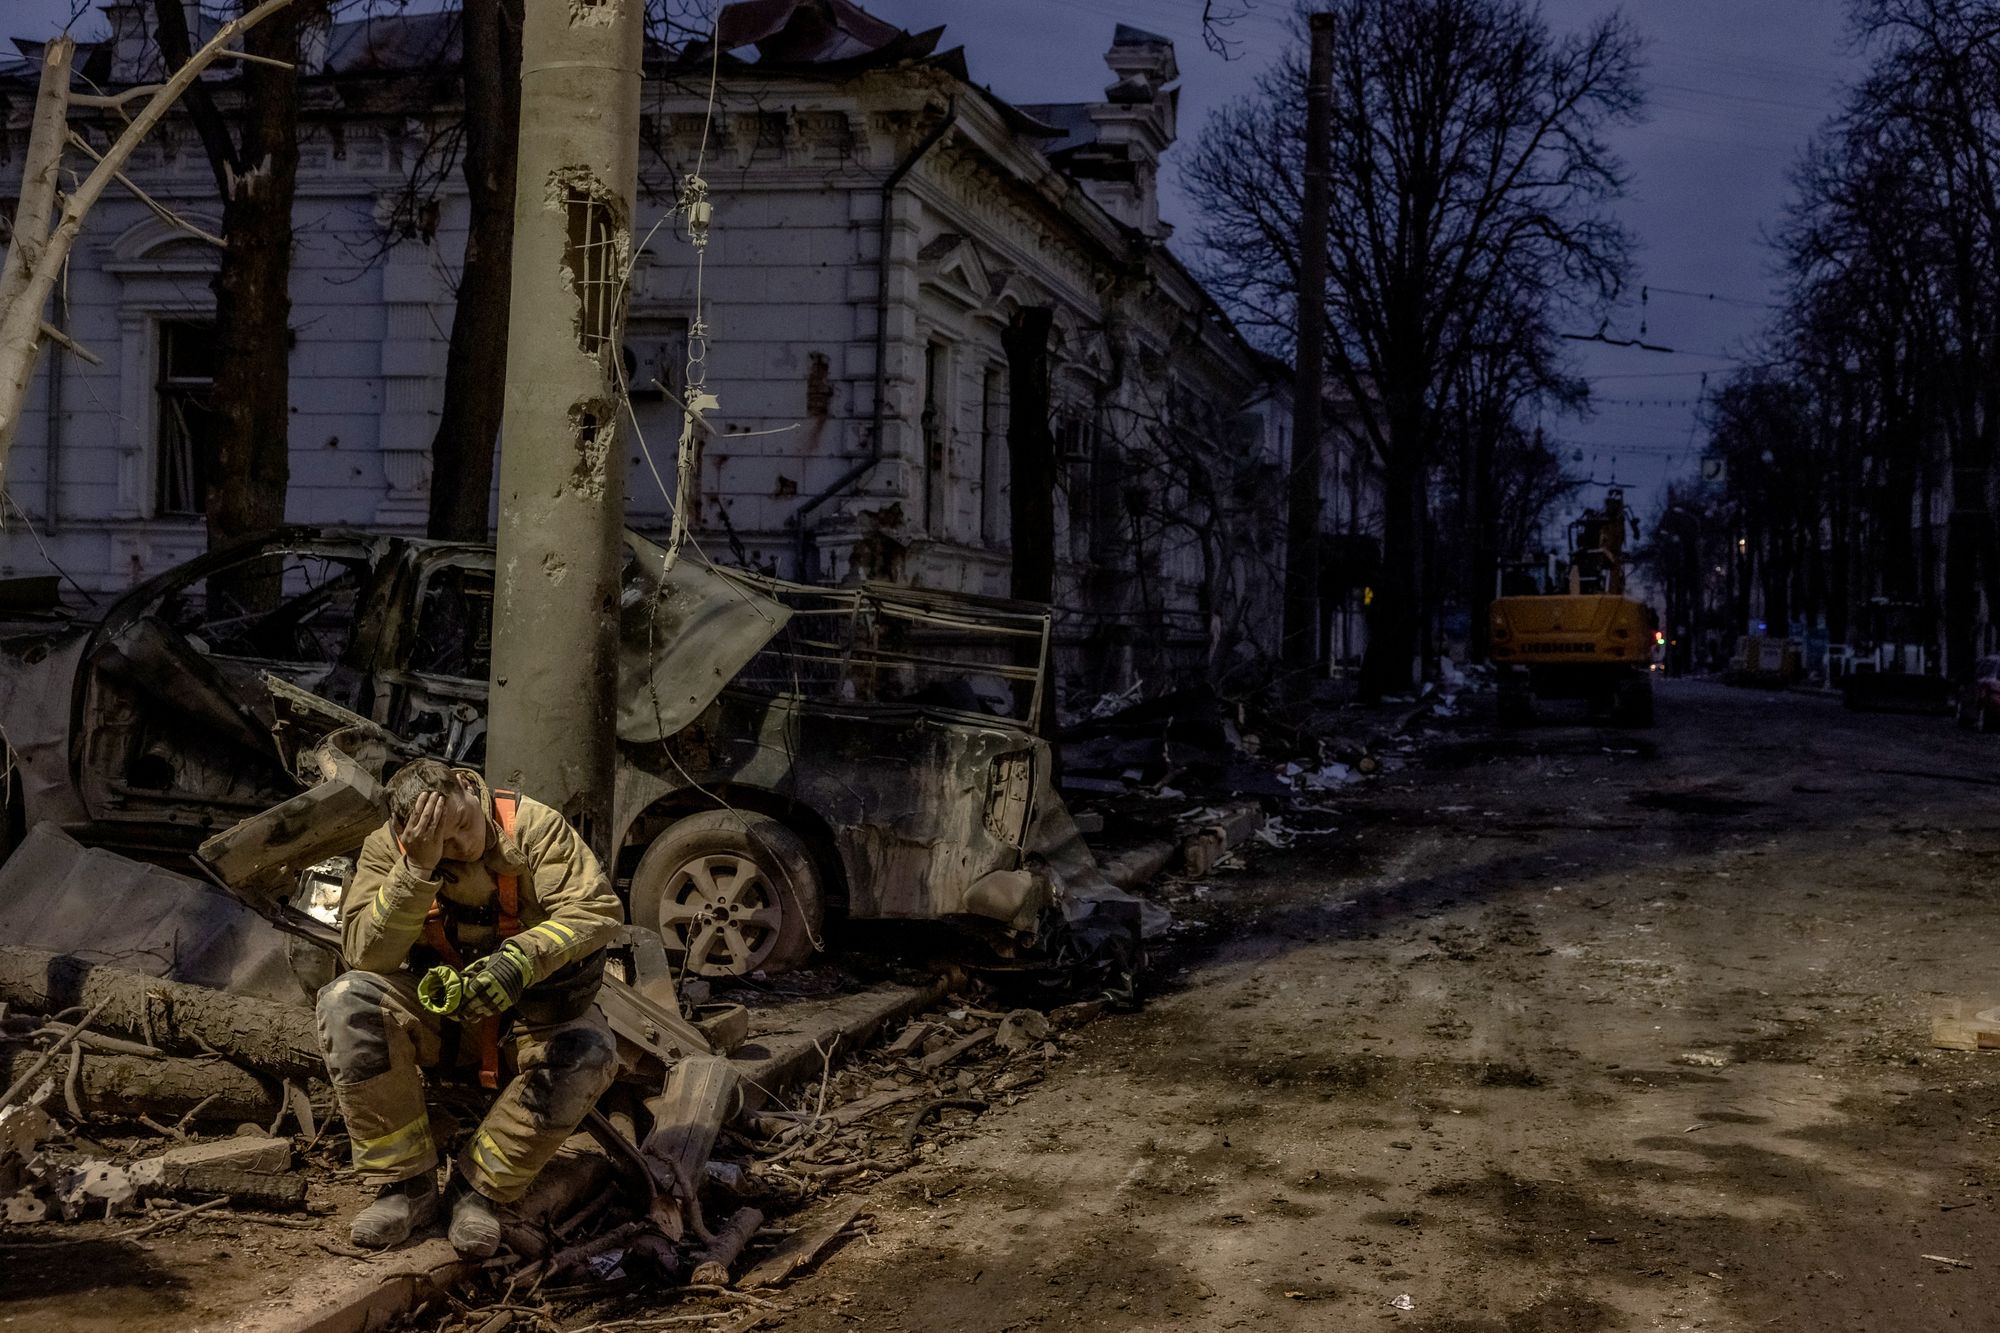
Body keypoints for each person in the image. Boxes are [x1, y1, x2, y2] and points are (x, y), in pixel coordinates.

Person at [314, 759, 623, 1256]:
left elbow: (597, 911)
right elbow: (366, 956)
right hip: (438, 1016)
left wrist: (521, 959)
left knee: (589, 1052)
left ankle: (477, 1192)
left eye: (462, 825)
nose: (461, 848)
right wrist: (415, 869)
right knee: (346, 1002)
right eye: (443, 843)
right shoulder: (387, 849)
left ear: (466, 786)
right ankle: (404, 1187)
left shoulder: (533, 827)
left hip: (527, 1017)